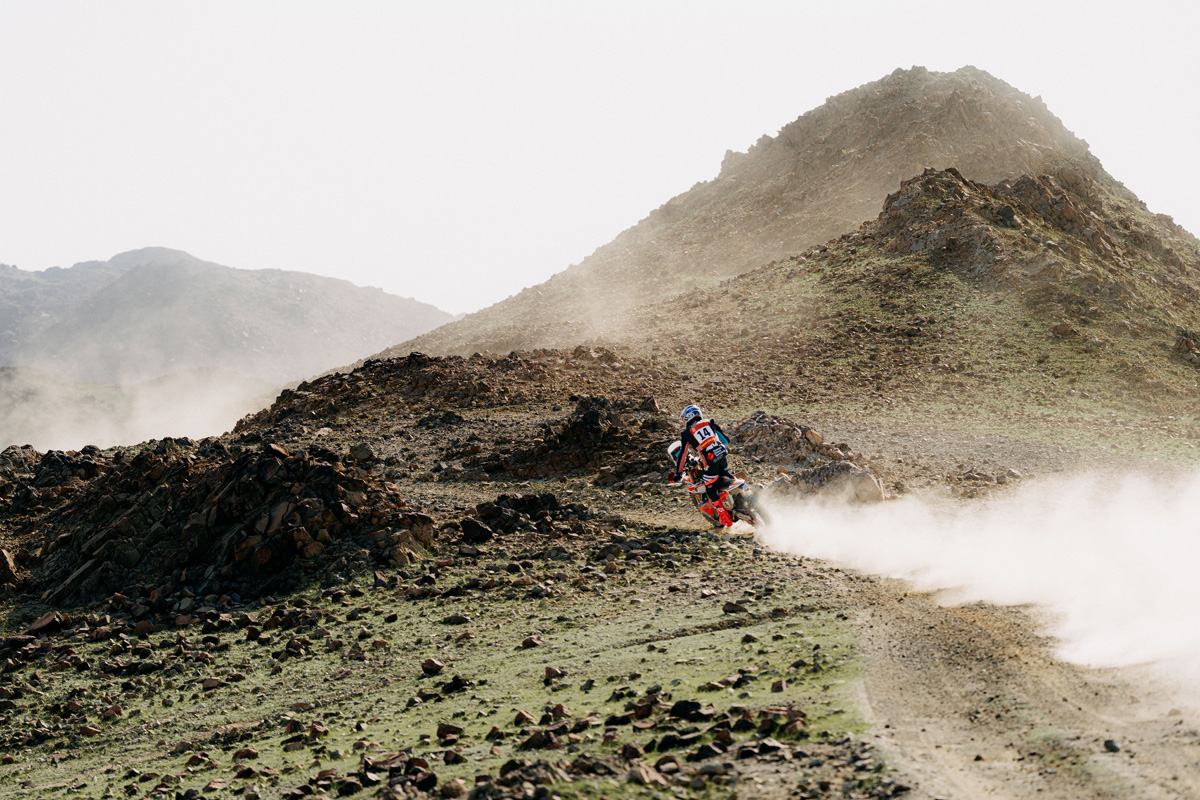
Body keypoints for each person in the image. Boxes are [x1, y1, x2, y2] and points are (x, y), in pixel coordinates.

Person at [669, 404, 737, 525]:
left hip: (710, 461)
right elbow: (726, 441)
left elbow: (683, 456)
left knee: (710, 489)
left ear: (687, 418)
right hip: (722, 455)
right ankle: (742, 493)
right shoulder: (710, 422)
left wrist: (678, 474)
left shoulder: (687, 433)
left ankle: (725, 518)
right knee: (726, 476)